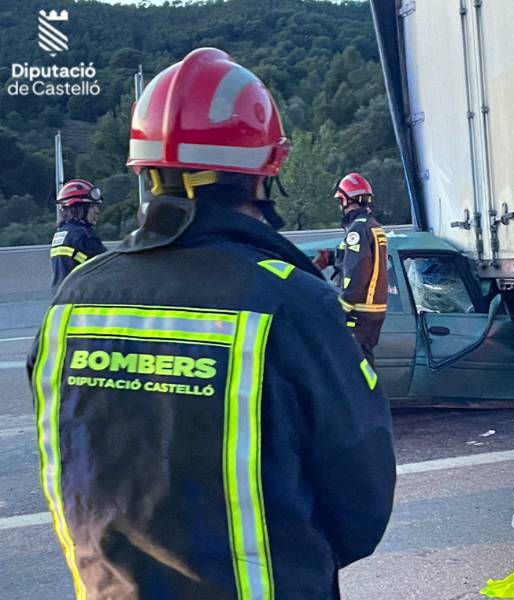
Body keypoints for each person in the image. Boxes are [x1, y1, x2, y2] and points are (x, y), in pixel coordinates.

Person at [28, 48, 395, 600]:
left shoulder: (70, 305)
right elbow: (360, 505)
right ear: (265, 171)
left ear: (145, 169)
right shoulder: (291, 304)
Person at [314, 173, 388, 366]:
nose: (341, 205)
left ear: (346, 198)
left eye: (341, 200)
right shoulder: (371, 226)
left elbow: (358, 271)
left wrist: (343, 307)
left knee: (351, 367)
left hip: (360, 312)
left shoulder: (357, 230)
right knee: (364, 366)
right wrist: (330, 258)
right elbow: (357, 258)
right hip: (372, 311)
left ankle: (367, 397)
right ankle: (371, 397)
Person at [50, 178, 106, 292]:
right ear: (78, 208)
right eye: (92, 206)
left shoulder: (61, 234)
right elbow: (108, 267)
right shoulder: (84, 235)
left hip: (61, 300)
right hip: (83, 301)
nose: (97, 211)